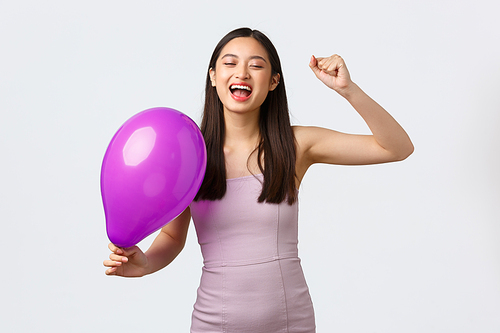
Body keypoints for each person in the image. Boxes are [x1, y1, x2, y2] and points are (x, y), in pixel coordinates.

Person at [103, 27, 413, 332]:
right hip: (214, 323)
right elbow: (172, 238)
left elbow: (396, 147)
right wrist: (144, 265)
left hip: (292, 322)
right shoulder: (189, 153)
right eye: (230, 63)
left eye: (256, 65)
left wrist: (348, 89)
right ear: (213, 76)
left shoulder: (295, 146)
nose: (242, 73)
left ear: (274, 81)